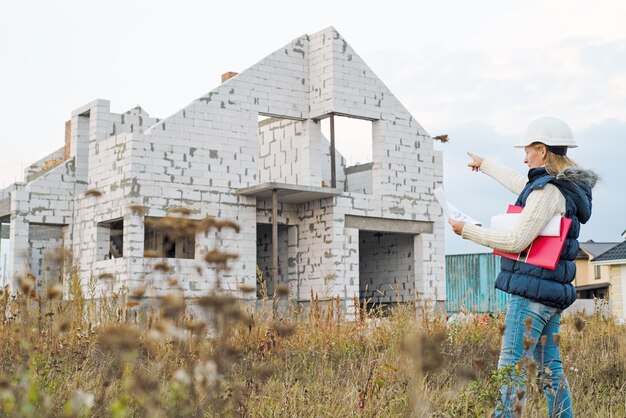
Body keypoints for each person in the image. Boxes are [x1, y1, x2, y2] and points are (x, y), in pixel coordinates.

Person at [448, 117, 598, 417]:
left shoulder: (547, 193)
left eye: (528, 150)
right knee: (549, 369)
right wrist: (486, 165)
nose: (524, 156)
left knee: (511, 366)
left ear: (542, 151)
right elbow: (523, 184)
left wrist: (468, 230)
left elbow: (517, 240)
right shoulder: (563, 187)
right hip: (551, 294)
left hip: (531, 295)